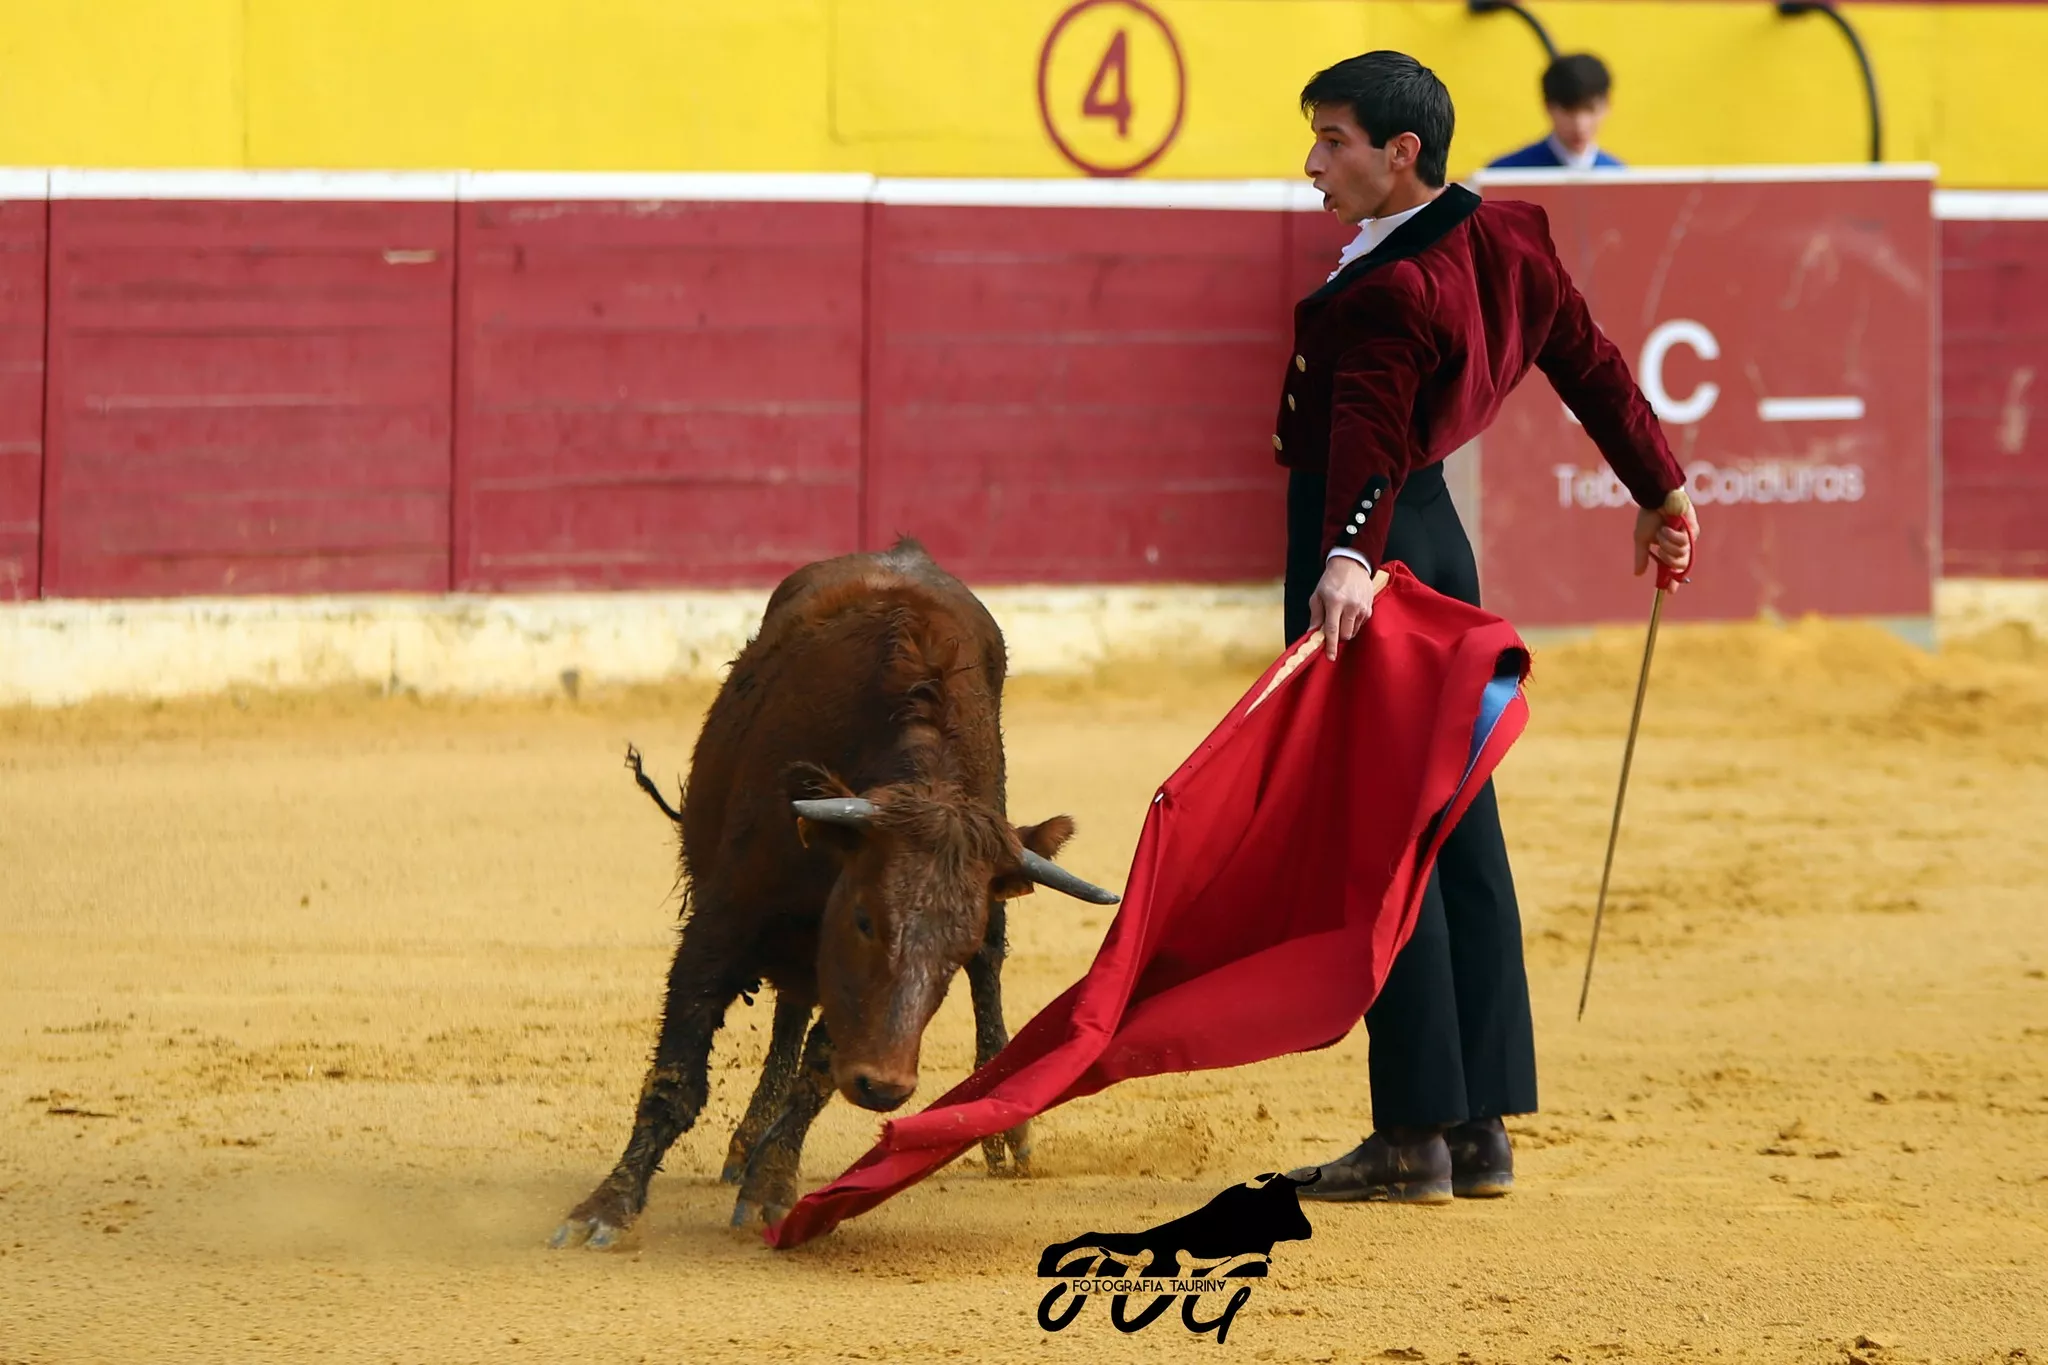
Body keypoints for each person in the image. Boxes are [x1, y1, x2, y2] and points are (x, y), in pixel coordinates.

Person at [1275, 50, 1698, 1203]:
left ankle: (1410, 1132)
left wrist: (1348, 558)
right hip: (1438, 552)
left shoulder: (1382, 292)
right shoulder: (1507, 234)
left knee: (1382, 840)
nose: (1313, 164)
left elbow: (1362, 437)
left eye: (1332, 141)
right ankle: (1478, 1132)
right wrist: (1658, 488)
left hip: (1364, 560)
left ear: (1399, 152)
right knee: (1457, 829)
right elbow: (1593, 368)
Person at [1488, 53, 1623, 170]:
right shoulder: (1507, 174)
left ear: (1607, 106)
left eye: (1590, 110)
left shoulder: (1618, 176)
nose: (1580, 125)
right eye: (1569, 111)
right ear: (1548, 107)